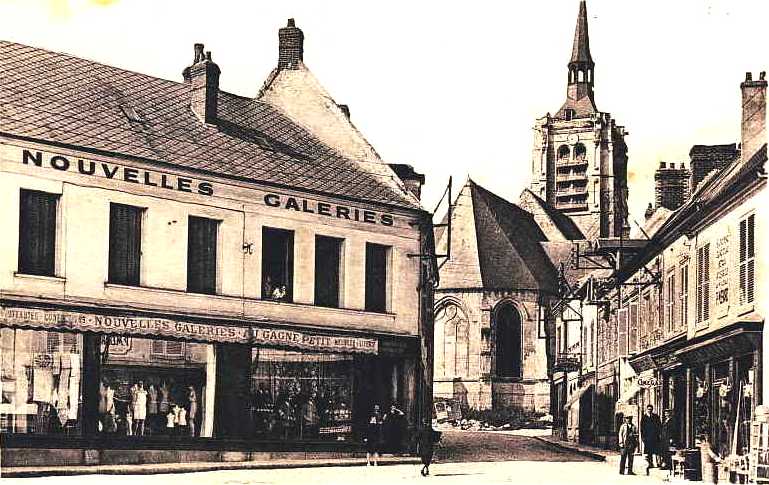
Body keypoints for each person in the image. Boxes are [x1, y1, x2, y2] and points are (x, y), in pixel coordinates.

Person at [641, 404, 662, 473]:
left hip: (655, 437)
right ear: (647, 410)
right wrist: (643, 438)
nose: (650, 410)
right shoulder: (644, 417)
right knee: (649, 452)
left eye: (651, 409)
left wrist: (659, 434)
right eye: (648, 409)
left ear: (652, 410)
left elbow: (659, 426)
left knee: (657, 451)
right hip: (647, 438)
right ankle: (650, 463)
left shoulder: (656, 417)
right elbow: (642, 429)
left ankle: (658, 463)